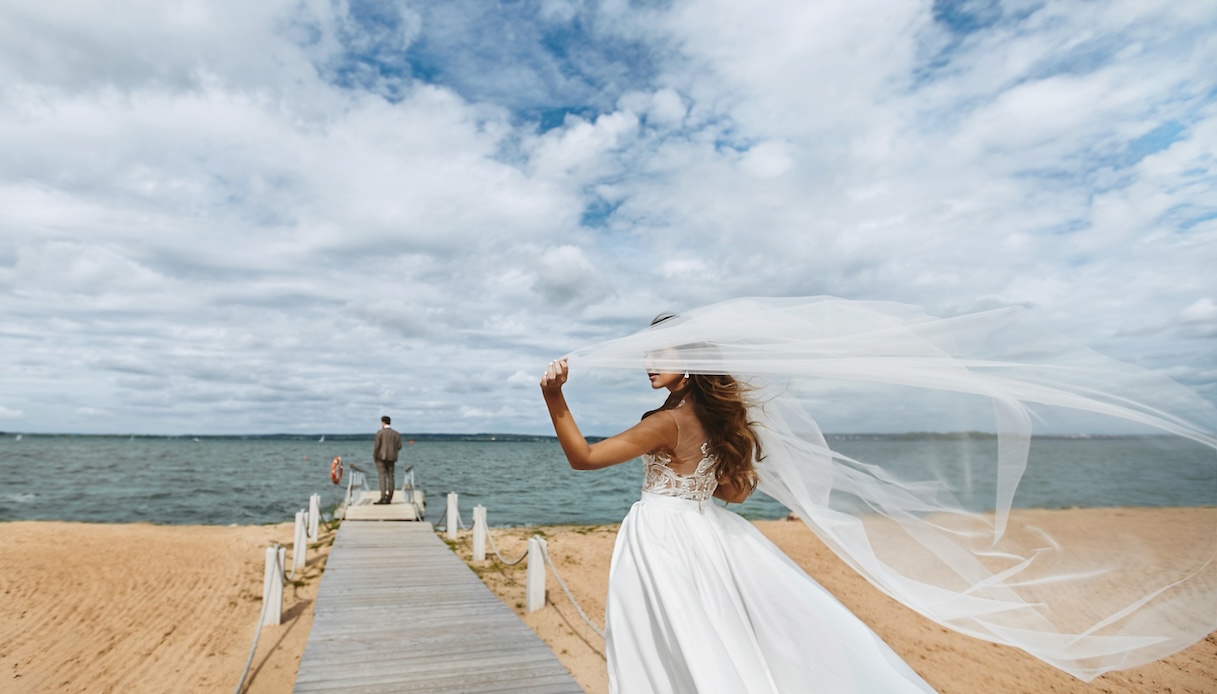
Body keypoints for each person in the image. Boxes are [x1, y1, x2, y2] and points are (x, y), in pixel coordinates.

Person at [540, 321, 936, 693]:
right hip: (705, 534)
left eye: (661, 354)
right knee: (711, 635)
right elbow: (734, 494)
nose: (649, 364)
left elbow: (586, 458)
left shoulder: (665, 421)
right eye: (647, 355)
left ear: (692, 364)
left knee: (655, 642)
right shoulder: (717, 421)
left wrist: (553, 395)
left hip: (660, 537)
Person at [373, 415, 402, 505]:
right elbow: (399, 446)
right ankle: (390, 497)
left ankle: (383, 497)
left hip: (381, 457)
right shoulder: (396, 434)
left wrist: (375, 456)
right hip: (392, 457)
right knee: (391, 477)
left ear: (383, 422)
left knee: (382, 477)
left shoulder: (380, 433)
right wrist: (393, 451)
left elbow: (377, 446)